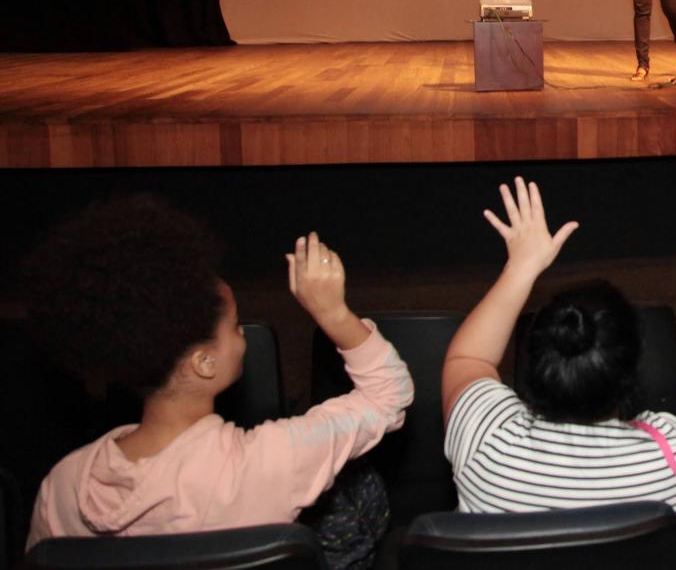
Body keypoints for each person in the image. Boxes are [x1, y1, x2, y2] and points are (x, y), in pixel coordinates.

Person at [23, 195, 413, 569]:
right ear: (203, 362)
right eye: (233, 325)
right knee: (361, 491)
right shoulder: (273, 460)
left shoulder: (62, 486)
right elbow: (389, 395)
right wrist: (332, 312)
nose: (242, 332)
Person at [440, 177, 676, 522]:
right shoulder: (671, 454)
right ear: (630, 371)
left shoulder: (487, 445)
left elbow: (468, 358)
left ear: (531, 366)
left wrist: (522, 266)